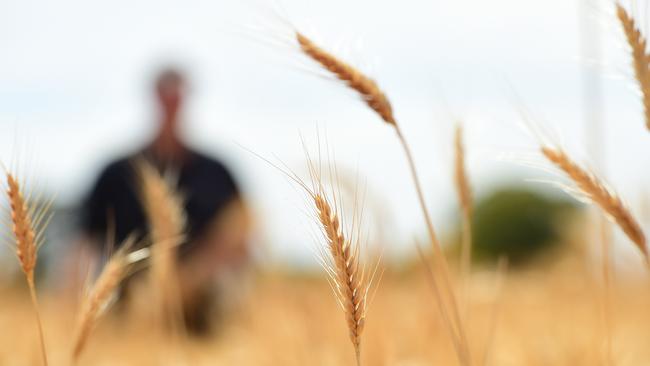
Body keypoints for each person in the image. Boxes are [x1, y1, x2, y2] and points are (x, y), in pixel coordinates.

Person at [77, 67, 249, 334]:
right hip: (126, 313)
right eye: (166, 97)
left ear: (187, 100)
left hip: (201, 315)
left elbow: (241, 238)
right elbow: (85, 245)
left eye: (177, 97)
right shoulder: (115, 173)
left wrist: (191, 279)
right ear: (154, 98)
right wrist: (77, 306)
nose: (172, 106)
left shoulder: (218, 172)